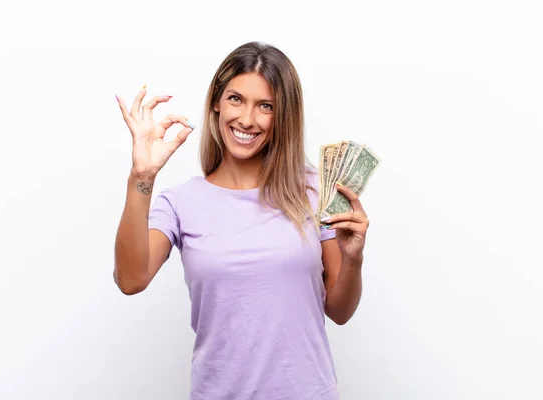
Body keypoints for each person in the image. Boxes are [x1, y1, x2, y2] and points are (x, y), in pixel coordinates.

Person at [113, 41, 370, 400]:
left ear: (283, 116)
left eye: (265, 106)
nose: (247, 119)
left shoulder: (312, 190)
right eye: (236, 99)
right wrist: (142, 176)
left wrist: (354, 259)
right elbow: (130, 279)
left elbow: (340, 311)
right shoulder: (181, 202)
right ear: (216, 101)